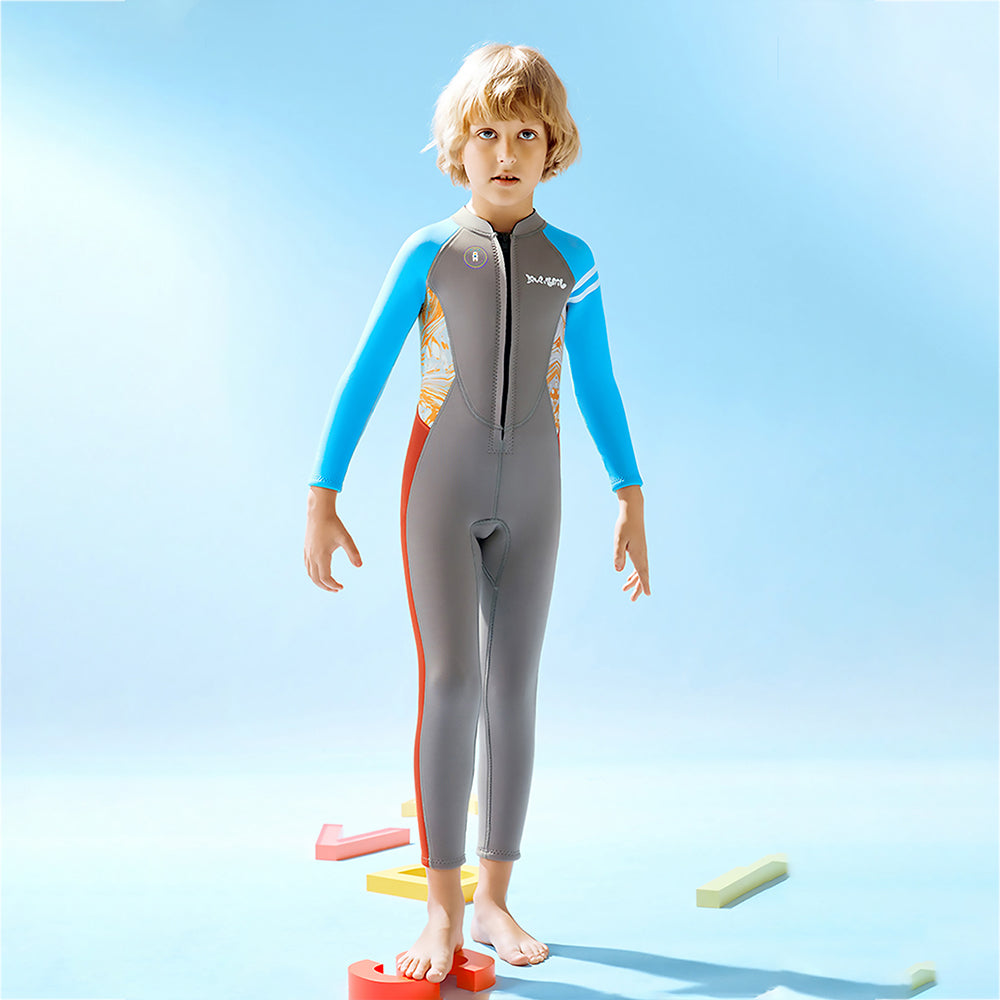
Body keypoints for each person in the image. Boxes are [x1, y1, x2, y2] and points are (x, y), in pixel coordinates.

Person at [303, 42, 651, 984]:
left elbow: (598, 383)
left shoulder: (572, 262)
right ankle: (443, 906)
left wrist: (630, 493)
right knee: (453, 682)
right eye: (487, 133)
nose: (505, 152)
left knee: (516, 686)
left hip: (538, 493)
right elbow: (366, 373)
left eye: (526, 133)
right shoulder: (429, 253)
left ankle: (495, 896)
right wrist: (324, 494)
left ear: (553, 147)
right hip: (441, 491)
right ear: (458, 146)